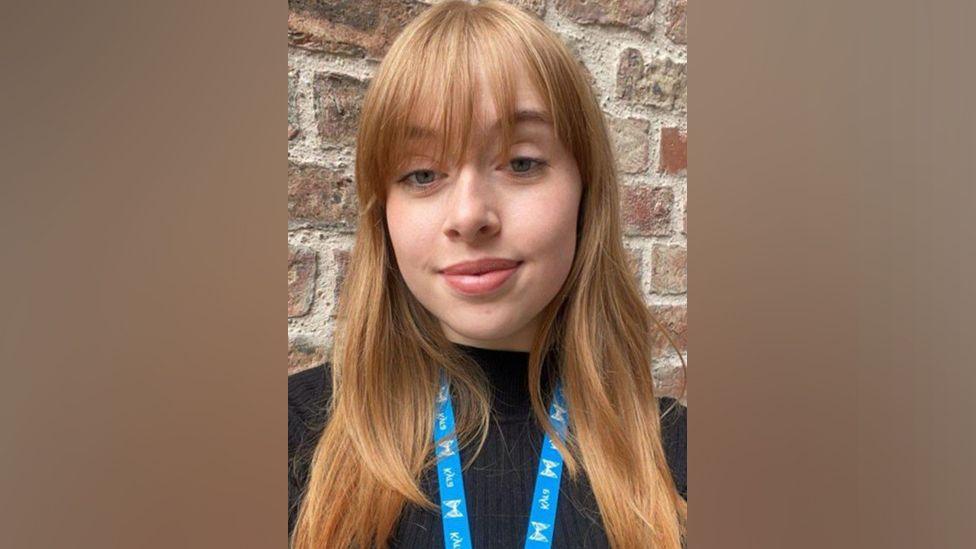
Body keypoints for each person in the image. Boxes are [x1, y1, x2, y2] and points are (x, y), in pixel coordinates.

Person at [288, 1, 687, 547]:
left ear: (585, 193)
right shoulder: (289, 436)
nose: (470, 215)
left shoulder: (680, 457)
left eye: (521, 162)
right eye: (423, 173)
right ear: (382, 211)